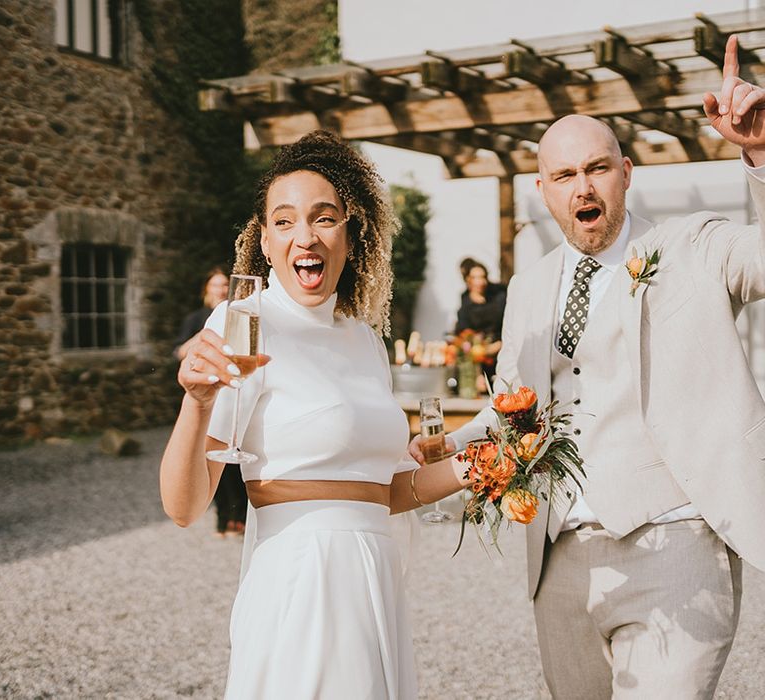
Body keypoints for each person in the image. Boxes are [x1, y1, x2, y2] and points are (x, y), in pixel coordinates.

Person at [410, 35, 765, 699]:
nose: (584, 186)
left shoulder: (693, 247)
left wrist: (760, 153)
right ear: (543, 190)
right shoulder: (529, 286)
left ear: (626, 173)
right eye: (565, 176)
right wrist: (446, 447)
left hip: (677, 546)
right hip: (560, 564)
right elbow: (513, 406)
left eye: (597, 169)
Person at [160, 130, 468, 699]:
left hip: (375, 582)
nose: (306, 235)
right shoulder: (242, 321)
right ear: (267, 242)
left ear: (352, 235)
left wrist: (484, 465)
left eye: (324, 218)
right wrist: (197, 403)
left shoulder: (365, 339)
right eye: (285, 221)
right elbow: (183, 507)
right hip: (302, 582)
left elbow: (391, 494)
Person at [174, 268, 247, 538]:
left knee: (235, 467)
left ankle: (239, 517)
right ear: (206, 289)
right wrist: (208, 332)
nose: (219, 289)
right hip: (206, 394)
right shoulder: (197, 319)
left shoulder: (240, 314)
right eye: (214, 285)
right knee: (212, 462)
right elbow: (180, 351)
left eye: (223, 284)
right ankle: (221, 519)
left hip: (234, 393)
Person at [454, 258, 506, 340]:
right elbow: (465, 334)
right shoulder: (465, 307)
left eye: (483, 277)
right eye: (475, 278)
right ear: (468, 280)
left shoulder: (499, 296)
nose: (480, 282)